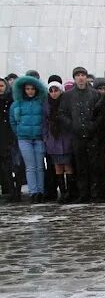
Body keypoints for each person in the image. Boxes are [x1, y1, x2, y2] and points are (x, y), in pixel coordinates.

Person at [60, 66, 102, 202]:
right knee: (80, 166)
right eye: (77, 75)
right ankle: (83, 193)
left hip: (92, 135)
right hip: (77, 136)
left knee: (94, 166)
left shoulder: (95, 94)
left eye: (83, 75)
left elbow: (100, 114)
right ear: (74, 78)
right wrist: (72, 125)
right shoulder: (68, 95)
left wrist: (93, 125)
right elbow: (62, 113)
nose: (81, 78)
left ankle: (95, 193)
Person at [9, 75, 48, 203]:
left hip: (38, 138)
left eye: (32, 88)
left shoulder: (41, 103)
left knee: (39, 166)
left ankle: (40, 191)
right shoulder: (17, 104)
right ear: (23, 90)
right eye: (27, 89)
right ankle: (33, 192)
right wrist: (20, 132)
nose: (30, 91)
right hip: (24, 139)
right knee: (30, 167)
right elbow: (13, 121)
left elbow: (45, 120)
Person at [44, 81, 75, 203]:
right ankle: (62, 192)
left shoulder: (65, 102)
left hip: (66, 136)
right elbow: (44, 123)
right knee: (57, 166)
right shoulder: (46, 104)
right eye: (51, 91)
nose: (53, 93)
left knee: (68, 165)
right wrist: (45, 137)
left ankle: (70, 192)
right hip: (53, 138)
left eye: (56, 90)